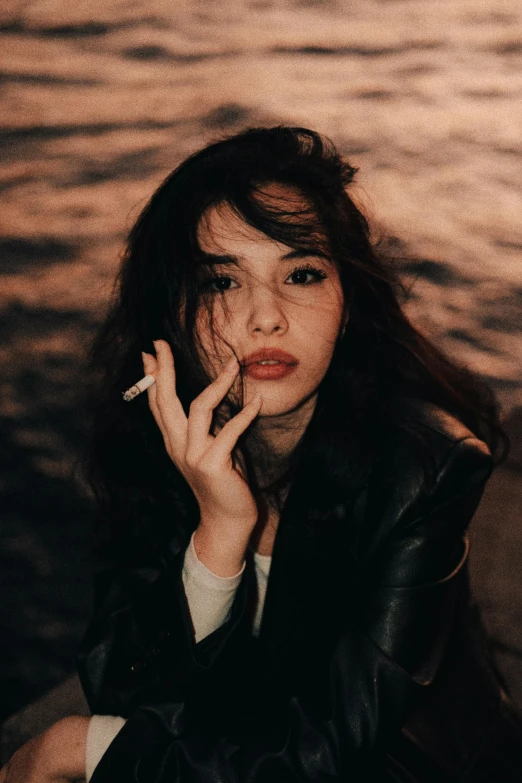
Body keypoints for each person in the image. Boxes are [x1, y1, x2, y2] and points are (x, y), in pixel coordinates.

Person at [2, 125, 522, 783]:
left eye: (301, 273)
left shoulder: (424, 468)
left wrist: (82, 748)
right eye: (222, 282)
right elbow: (124, 688)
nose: (265, 316)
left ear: (347, 301)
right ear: (173, 313)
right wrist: (219, 530)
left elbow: (335, 753)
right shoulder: (163, 437)